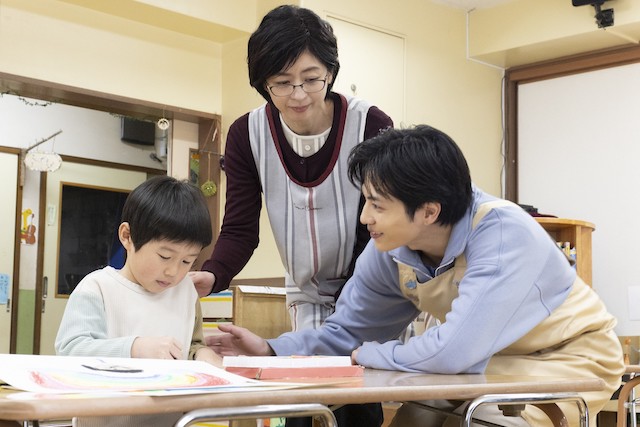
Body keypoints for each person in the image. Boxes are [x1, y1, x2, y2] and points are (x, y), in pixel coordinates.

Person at [208, 125, 625, 427]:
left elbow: (452, 352)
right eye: (365, 201)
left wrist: (372, 355)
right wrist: (269, 350)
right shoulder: (388, 249)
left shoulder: (503, 234)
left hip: (568, 358)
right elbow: (345, 335)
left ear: (428, 211)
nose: (365, 217)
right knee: (415, 418)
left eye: (377, 204)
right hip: (484, 363)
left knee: (493, 422)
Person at [189, 5, 392, 426]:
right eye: (282, 83)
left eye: (311, 79)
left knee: (358, 403)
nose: (298, 95)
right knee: (299, 406)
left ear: (331, 73)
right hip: (306, 293)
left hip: (370, 286)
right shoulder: (248, 134)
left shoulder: (370, 124)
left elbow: (383, 224)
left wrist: (357, 298)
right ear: (263, 83)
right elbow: (241, 228)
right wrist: (213, 275)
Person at [56, 175, 221, 427]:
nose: (174, 272)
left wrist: (204, 356)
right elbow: (70, 351)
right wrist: (134, 349)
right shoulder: (98, 288)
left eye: (188, 261)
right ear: (127, 236)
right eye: (165, 256)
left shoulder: (185, 291)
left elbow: (193, 345)